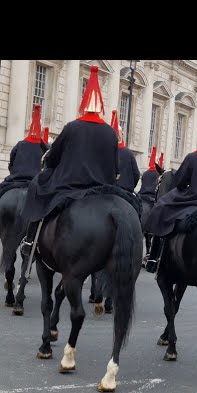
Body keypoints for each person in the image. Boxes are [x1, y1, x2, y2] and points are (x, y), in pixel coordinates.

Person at [20, 65, 118, 257]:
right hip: (102, 188)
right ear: (100, 107)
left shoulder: (72, 127)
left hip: (70, 184)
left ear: (83, 105)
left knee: (37, 187)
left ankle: (30, 240)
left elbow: (54, 157)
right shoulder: (110, 132)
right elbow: (115, 168)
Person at [143, 104, 197, 273]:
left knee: (162, 207)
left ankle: (153, 257)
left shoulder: (193, 157)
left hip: (194, 201)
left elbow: (180, 183)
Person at [0, 104, 46, 200]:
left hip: (15, 180)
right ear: (41, 130)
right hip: (36, 183)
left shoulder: (20, 144)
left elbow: (11, 162)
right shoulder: (45, 147)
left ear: (30, 128)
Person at [111, 110, 141, 193]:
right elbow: (136, 174)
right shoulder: (128, 153)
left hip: (109, 190)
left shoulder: (105, 152)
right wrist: (131, 187)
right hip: (125, 190)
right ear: (122, 135)